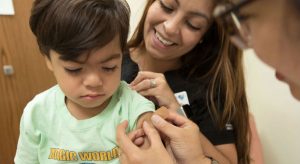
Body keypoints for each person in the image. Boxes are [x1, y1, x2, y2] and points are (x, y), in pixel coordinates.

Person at [117, 0, 300, 163]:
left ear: (205, 34)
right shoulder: (110, 59)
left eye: (193, 24)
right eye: (167, 6)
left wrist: (177, 110)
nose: (170, 27)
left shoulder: (209, 89)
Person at [14, 0, 156, 163]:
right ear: (48, 59)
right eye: (75, 69)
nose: (94, 82)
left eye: (109, 67)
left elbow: (149, 130)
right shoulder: (37, 113)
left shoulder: (132, 106)